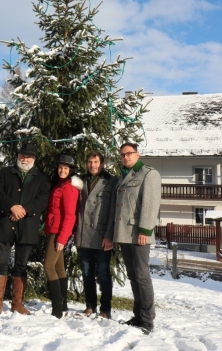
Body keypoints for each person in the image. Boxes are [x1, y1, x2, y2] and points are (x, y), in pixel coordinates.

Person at [0, 143, 49, 315]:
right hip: (5, 224)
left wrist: (24, 210)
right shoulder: (6, 173)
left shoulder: (41, 178)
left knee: (21, 266)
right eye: (22, 155)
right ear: (18, 156)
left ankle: (17, 304)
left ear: (34, 159)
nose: (25, 158)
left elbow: (43, 199)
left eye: (28, 156)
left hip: (27, 227)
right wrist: (11, 207)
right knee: (0, 263)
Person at [113, 142, 161, 334]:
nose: (125, 157)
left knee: (142, 277)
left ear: (137, 154)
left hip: (139, 234)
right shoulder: (123, 176)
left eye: (129, 154)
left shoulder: (149, 174)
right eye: (123, 154)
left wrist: (145, 231)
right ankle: (138, 315)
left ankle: (148, 320)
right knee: (133, 276)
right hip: (125, 234)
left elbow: (150, 204)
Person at [74, 151, 117, 319]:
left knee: (104, 273)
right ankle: (90, 306)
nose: (93, 165)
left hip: (102, 236)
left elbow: (113, 211)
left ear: (102, 163)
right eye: (90, 162)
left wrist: (109, 235)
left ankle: (106, 309)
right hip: (85, 235)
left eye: (96, 162)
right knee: (86, 273)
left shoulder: (111, 181)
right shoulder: (81, 181)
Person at [44, 155, 83, 319]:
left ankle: (57, 306)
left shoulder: (68, 187)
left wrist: (62, 238)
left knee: (48, 266)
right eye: (60, 167)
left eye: (66, 168)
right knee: (59, 267)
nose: (62, 170)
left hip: (57, 231)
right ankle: (64, 303)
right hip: (52, 228)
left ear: (70, 170)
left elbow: (70, 216)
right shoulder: (60, 184)